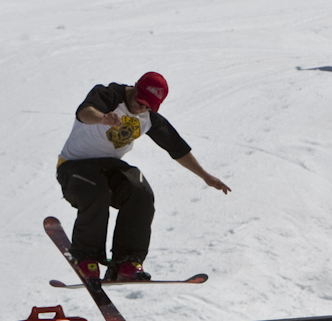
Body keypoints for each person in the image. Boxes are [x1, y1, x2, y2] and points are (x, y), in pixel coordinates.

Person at [56, 71, 229, 281]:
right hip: (74, 167)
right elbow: (84, 112)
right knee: (97, 192)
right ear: (135, 87)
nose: (142, 108)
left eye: (148, 106)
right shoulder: (109, 95)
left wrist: (205, 176)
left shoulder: (148, 117)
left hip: (109, 166)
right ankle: (86, 257)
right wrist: (102, 118)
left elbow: (176, 147)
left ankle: (126, 262)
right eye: (140, 101)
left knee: (140, 192)